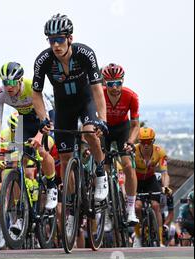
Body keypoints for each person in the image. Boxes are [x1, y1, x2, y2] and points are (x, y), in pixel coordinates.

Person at [32, 14, 110, 217]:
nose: (55, 45)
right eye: (51, 40)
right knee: (65, 158)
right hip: (63, 107)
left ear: (70, 38)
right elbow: (36, 93)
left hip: (86, 102)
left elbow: (97, 90)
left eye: (60, 39)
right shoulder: (43, 60)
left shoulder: (85, 54)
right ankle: (72, 206)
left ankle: (101, 173)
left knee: (90, 132)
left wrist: (102, 120)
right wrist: (43, 119)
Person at [0, 61, 58, 210]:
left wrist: (40, 136)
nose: (9, 86)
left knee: (41, 151)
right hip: (25, 122)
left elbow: (46, 117)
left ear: (20, 80)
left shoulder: (31, 86)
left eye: (13, 82)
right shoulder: (0, 94)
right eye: (6, 82)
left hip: (44, 119)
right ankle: (21, 208)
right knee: (19, 160)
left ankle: (52, 186)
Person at [101, 63, 140, 224]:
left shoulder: (131, 96)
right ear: (105, 83)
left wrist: (130, 141)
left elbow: (135, 125)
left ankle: (130, 209)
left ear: (122, 81)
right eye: (110, 84)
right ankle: (107, 209)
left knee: (128, 166)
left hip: (122, 129)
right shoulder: (99, 94)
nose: (115, 87)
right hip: (104, 128)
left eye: (118, 83)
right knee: (103, 167)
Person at [133, 127, 171, 247]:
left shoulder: (160, 152)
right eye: (142, 142)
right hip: (136, 180)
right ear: (139, 141)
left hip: (150, 179)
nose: (145, 145)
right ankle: (138, 236)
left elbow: (164, 173)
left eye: (148, 141)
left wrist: (165, 187)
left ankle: (159, 240)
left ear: (153, 141)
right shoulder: (133, 151)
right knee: (137, 207)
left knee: (155, 206)